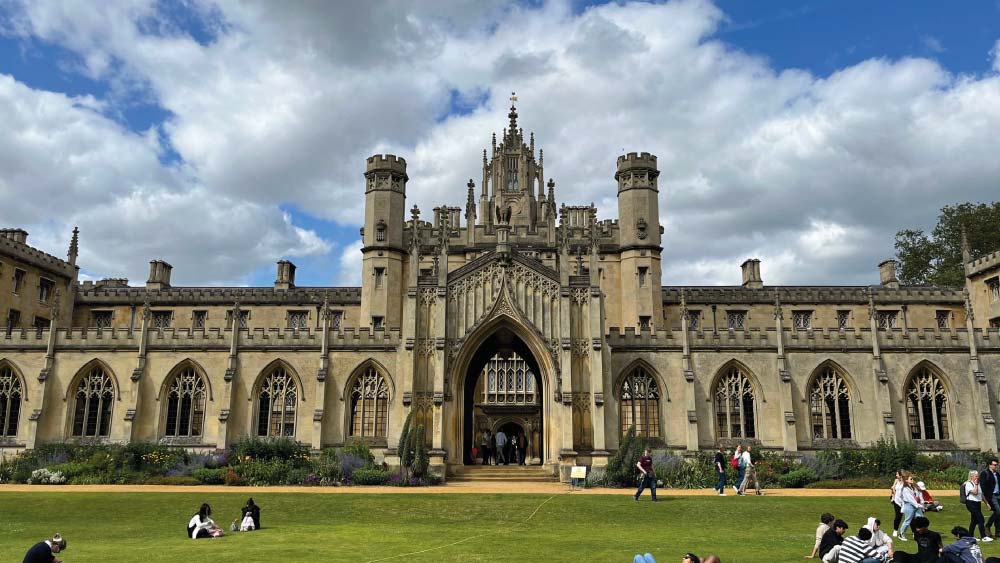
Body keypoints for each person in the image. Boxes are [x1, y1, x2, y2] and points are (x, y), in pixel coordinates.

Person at [964, 471, 992, 542]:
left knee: (974, 520)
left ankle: (970, 536)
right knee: (981, 519)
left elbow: (981, 494)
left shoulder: (978, 484)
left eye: (977, 476)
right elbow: (975, 493)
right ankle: (983, 536)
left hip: (977, 503)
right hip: (971, 503)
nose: (977, 477)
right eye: (976, 476)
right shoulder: (968, 484)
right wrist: (976, 485)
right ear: (971, 477)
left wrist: (987, 503)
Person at [899, 473, 924, 541]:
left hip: (915, 505)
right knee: (908, 520)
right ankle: (901, 534)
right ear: (906, 480)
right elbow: (911, 499)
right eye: (911, 479)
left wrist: (921, 504)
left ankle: (917, 534)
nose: (912, 480)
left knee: (920, 519)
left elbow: (917, 496)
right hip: (909, 505)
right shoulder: (905, 489)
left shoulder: (913, 487)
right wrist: (919, 505)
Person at [981, 458, 1000, 538]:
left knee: (998, 513)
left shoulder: (997, 474)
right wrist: (986, 499)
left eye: (997, 465)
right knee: (998, 511)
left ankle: (998, 532)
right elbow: (983, 486)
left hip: (998, 495)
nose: (996, 466)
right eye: (995, 465)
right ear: (990, 465)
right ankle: (987, 526)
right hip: (991, 496)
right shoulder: (985, 473)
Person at [892, 470, 906, 537]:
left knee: (909, 517)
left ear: (901, 475)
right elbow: (893, 488)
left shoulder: (905, 482)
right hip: (896, 501)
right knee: (898, 517)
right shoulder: (896, 481)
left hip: (904, 502)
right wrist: (895, 495)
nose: (896, 475)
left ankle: (914, 532)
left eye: (897, 474)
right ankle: (895, 530)